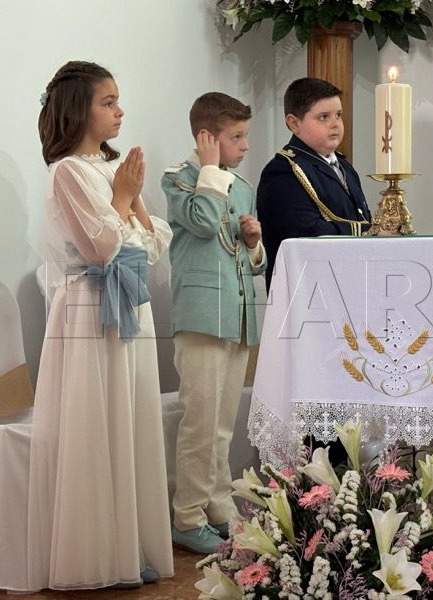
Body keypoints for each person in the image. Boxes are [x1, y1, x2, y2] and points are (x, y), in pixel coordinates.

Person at [25, 61, 173, 591]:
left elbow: (151, 247)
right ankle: (96, 556)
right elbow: (103, 248)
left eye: (117, 100)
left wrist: (128, 199)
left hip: (129, 303)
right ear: (78, 110)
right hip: (89, 309)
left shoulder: (113, 168)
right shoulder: (68, 172)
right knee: (96, 424)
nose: (120, 111)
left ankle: (129, 546)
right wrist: (125, 199)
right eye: (108, 102)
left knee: (129, 421)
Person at [161, 92, 265, 554]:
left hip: (237, 317)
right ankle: (187, 515)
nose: (245, 146)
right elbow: (203, 223)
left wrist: (255, 243)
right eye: (235, 137)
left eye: (245, 136)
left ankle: (218, 507)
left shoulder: (241, 186)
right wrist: (207, 170)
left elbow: (250, 261)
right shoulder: (178, 180)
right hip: (201, 317)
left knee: (223, 424)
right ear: (206, 138)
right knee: (200, 423)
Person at [256, 77, 372, 291]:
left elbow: (361, 217)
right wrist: (369, 232)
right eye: (323, 117)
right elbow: (307, 233)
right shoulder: (283, 171)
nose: (335, 124)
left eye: (338, 115)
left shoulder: (345, 167)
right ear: (294, 123)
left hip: (349, 282)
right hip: (308, 289)